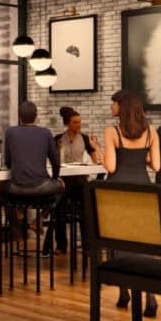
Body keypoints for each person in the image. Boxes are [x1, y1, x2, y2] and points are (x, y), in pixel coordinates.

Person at [103, 89, 161, 318]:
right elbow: (156, 166)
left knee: (118, 241)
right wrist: (141, 156)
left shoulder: (112, 131)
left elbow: (110, 167)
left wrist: (99, 151)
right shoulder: (151, 132)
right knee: (143, 241)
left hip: (118, 190)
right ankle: (150, 297)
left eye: (114, 104)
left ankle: (124, 292)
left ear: (122, 107)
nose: (111, 107)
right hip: (144, 190)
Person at [43, 106, 101, 255]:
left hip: (80, 181)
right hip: (64, 180)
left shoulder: (85, 138)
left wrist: (92, 168)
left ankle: (87, 244)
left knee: (85, 207)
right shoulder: (58, 139)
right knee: (59, 206)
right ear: (67, 124)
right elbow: (51, 159)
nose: (78, 125)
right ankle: (61, 245)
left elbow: (94, 156)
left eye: (80, 122)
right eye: (75, 122)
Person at [2, 102, 64, 237]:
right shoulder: (45, 133)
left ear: (19, 117)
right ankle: (41, 218)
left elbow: (7, 161)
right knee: (61, 186)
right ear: (36, 116)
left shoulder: (10, 132)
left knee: (1, 187)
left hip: (16, 188)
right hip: (41, 186)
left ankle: (18, 212)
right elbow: (56, 160)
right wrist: (55, 178)